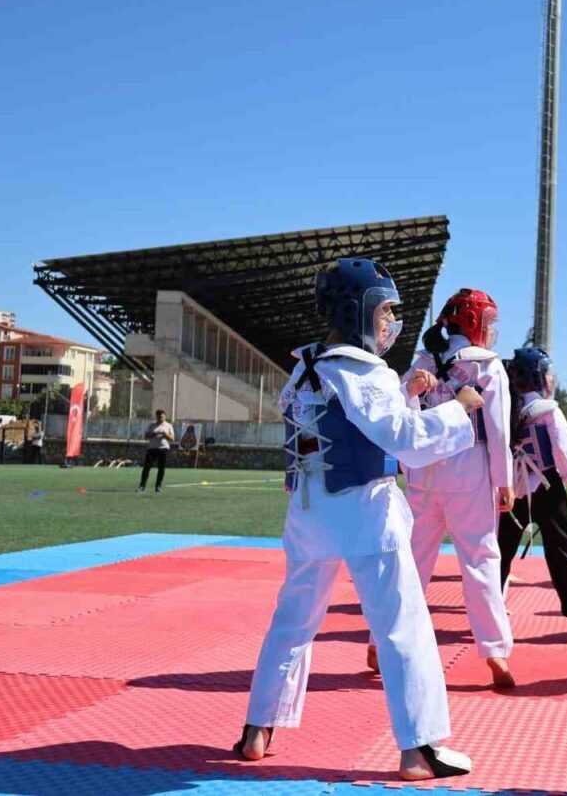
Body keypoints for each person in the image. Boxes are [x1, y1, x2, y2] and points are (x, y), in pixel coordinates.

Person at [235, 258, 479, 781]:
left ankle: (258, 727)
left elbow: (347, 423)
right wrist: (459, 407)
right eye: (385, 310)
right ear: (358, 310)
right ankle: (419, 749)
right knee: (401, 626)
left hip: (309, 512)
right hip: (366, 511)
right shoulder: (363, 369)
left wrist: (406, 395)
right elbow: (406, 440)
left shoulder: (307, 367)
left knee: (293, 621)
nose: (391, 321)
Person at [398, 288, 517, 688]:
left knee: (413, 560)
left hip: (424, 468)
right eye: (489, 323)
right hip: (469, 466)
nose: (492, 331)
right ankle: (495, 651)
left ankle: (383, 640)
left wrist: (408, 464)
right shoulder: (487, 366)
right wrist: (504, 481)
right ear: (474, 322)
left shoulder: (422, 362)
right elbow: (498, 430)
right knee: (480, 558)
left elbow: (403, 413)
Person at [497, 347, 567, 635]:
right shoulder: (548, 410)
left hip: (514, 487)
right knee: (562, 546)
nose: (551, 378)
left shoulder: (506, 409)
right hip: (546, 484)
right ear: (537, 377)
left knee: (501, 548)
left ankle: (490, 608)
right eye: (548, 373)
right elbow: (561, 446)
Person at [138, 409, 173, 493]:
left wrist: (165, 434)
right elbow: (145, 437)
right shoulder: (151, 425)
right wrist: (153, 434)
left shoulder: (168, 426)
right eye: (158, 417)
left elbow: (172, 439)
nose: (160, 418)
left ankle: (158, 486)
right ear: (156, 417)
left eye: (162, 417)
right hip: (152, 448)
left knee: (161, 468)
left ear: (164, 417)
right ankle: (142, 486)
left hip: (163, 448)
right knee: (147, 467)